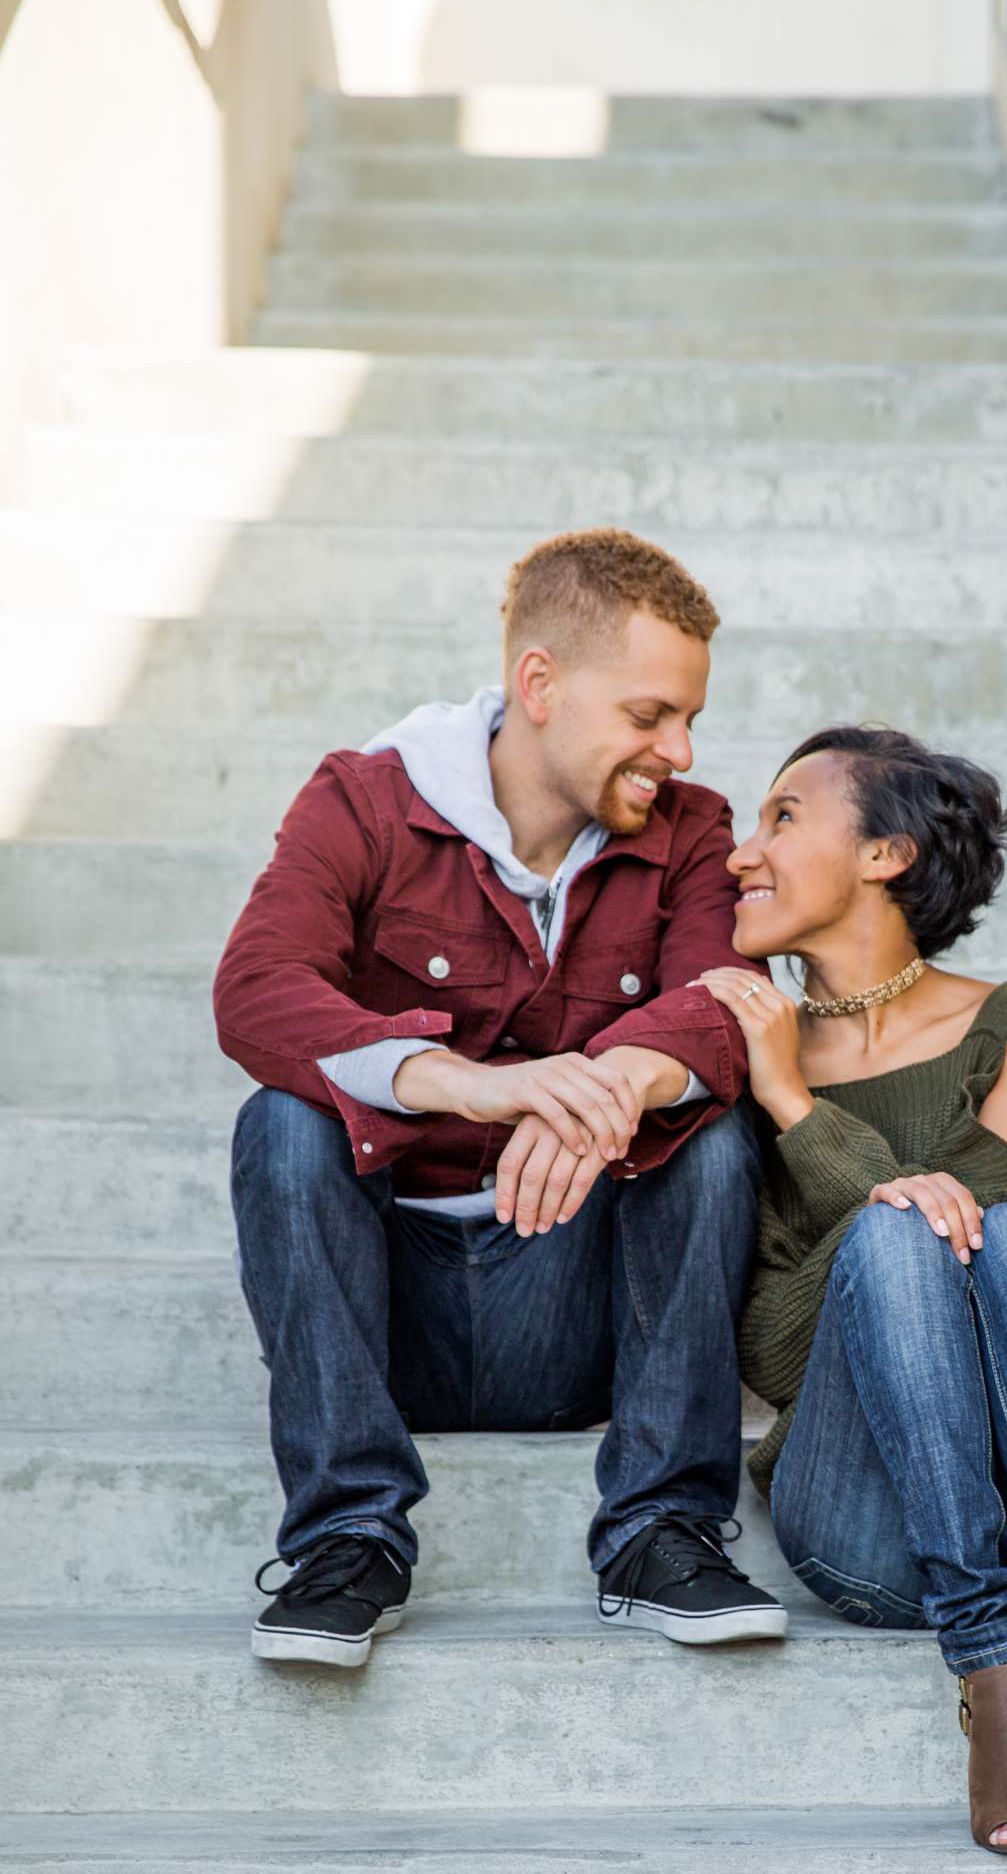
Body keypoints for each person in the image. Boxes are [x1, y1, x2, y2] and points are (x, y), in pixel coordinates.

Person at [215, 527, 787, 1667]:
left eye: (688, 719)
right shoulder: (367, 802)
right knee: (280, 1122)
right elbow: (256, 987)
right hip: (392, 1312)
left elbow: (724, 1000)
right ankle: (347, 1537)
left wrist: (613, 1084)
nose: (675, 747)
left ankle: (659, 1529)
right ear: (539, 685)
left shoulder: (690, 832)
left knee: (708, 1135)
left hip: (576, 1307)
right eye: (647, 714)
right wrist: (473, 1086)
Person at [693, 725, 1007, 1855]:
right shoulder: (741, 1063)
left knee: (990, 1224)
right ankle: (998, 1669)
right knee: (901, 1237)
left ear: (886, 854)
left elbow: (982, 1207)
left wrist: (812, 1128)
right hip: (876, 1530)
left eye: (781, 818)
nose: (737, 857)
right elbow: (771, 1350)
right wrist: (783, 1100)